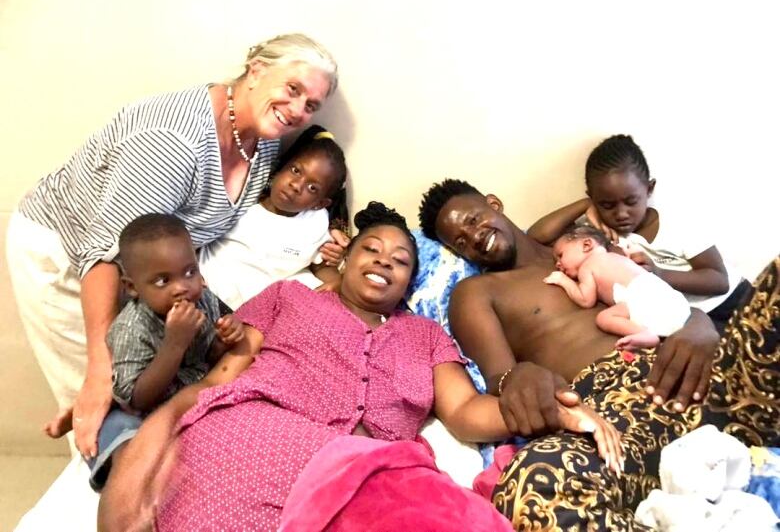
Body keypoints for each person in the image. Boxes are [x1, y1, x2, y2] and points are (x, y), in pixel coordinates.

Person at [98, 202, 623, 531]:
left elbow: (464, 411)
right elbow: (224, 376)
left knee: (445, 514)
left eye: (400, 261)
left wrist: (549, 411)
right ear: (346, 259)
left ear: (407, 284)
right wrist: (150, 449)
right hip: (260, 433)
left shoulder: (425, 334)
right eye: (371, 250)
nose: (384, 262)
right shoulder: (289, 298)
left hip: (365, 466)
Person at [5, 33, 343, 460]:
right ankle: (103, 494)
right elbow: (105, 254)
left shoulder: (264, 136)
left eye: (311, 105)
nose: (297, 110)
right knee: (99, 403)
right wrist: (98, 370)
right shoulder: (173, 143)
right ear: (256, 69)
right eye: (292, 89)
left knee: (141, 397)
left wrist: (324, 234)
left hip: (150, 279)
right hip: (72, 259)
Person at [419, 178, 778, 530]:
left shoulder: (588, 245)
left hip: (700, 374)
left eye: (472, 220)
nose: (475, 238)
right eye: (461, 242)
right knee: (528, 486)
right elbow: (502, 379)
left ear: (493, 203)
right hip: (621, 418)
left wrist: (697, 325)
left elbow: (655, 295)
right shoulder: (476, 292)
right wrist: (521, 377)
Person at [47, 213, 245, 488]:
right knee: (120, 433)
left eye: (189, 272)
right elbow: (138, 399)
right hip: (144, 408)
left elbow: (211, 354)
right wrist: (173, 345)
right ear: (132, 287)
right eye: (163, 281)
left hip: (189, 399)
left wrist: (226, 336)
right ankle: (126, 482)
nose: (182, 288)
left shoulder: (204, 298)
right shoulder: (131, 328)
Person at [527, 134, 751, 334]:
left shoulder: (677, 224)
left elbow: (718, 280)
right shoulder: (598, 237)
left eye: (631, 201)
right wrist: (585, 205)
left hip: (731, 301)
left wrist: (659, 273)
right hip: (687, 321)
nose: (621, 214)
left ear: (649, 189)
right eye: (607, 204)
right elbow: (537, 235)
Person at [199, 124, 349, 310]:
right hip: (211, 291)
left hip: (258, 311)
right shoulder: (247, 201)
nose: (296, 185)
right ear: (280, 169)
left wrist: (335, 283)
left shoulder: (315, 223)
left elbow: (321, 265)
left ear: (319, 203)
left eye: (312, 188)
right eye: (295, 171)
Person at [544, 225, 690, 351]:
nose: (558, 264)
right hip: (668, 296)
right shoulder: (616, 256)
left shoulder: (587, 267)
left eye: (560, 255)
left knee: (603, 318)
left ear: (587, 245)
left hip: (638, 297)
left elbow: (586, 300)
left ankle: (644, 334)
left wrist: (563, 280)